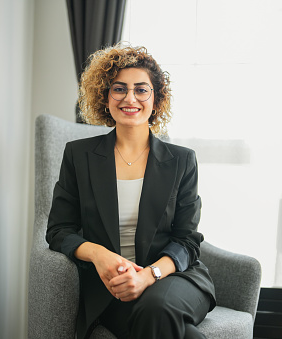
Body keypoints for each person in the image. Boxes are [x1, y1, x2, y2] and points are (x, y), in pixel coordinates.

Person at [46, 44, 216, 339]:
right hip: (114, 287)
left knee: (157, 306)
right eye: (119, 89)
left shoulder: (182, 160)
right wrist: (99, 255)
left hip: (174, 277)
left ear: (156, 99)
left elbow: (187, 240)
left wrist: (149, 276)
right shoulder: (79, 155)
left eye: (141, 90)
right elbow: (59, 230)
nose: (130, 98)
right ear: (105, 96)